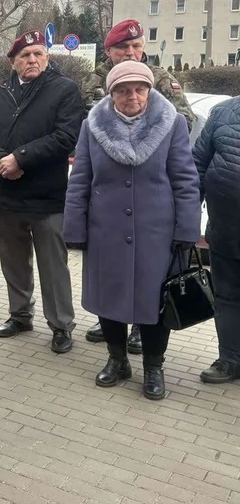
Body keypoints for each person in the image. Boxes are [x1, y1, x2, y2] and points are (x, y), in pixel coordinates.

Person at [64, 61, 199, 399]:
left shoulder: (172, 124)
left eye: (140, 89)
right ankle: (117, 360)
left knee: (155, 303)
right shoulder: (92, 126)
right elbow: (80, 179)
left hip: (158, 231)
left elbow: (185, 180)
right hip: (105, 229)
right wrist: (74, 228)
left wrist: (187, 229)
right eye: (123, 90)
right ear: (111, 94)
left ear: (150, 90)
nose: (132, 96)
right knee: (108, 299)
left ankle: (154, 368)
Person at [82, 20, 195, 351]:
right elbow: (85, 127)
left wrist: (146, 137)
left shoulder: (159, 79)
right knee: (112, 278)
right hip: (110, 197)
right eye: (123, 48)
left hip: (150, 193)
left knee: (150, 281)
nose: (130, 52)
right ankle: (114, 327)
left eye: (136, 46)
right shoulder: (93, 80)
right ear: (109, 52)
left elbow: (183, 124)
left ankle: (140, 332)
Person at [0, 30, 83, 353]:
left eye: (38, 54)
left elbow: (66, 136)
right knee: (13, 261)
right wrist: (2, 159)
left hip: (46, 194)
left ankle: (60, 324)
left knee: (52, 264)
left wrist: (20, 158)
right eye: (25, 55)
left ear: (47, 58)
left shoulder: (64, 89)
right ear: (13, 61)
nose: (32, 60)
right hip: (7, 191)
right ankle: (20, 314)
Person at [193, 93, 240, 384]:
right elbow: (197, 164)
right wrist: (185, 220)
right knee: (226, 298)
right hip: (226, 231)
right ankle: (230, 359)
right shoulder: (222, 113)